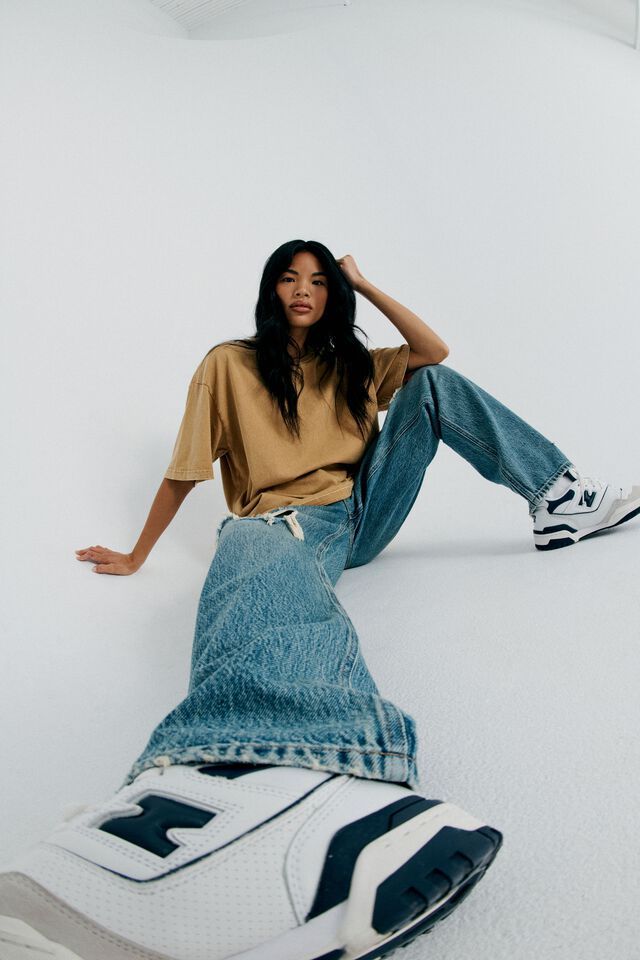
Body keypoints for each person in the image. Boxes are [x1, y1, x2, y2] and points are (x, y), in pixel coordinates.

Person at [1, 240, 637, 960]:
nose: (303, 290)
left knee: (435, 383)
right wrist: (138, 552)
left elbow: (434, 349)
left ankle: (558, 498)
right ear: (270, 291)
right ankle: (272, 757)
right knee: (244, 539)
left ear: (334, 295)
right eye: (288, 277)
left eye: (319, 281)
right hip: (281, 522)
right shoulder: (228, 364)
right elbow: (185, 471)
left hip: (362, 511)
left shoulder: (353, 364)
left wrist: (365, 281)